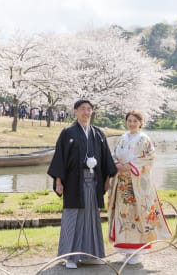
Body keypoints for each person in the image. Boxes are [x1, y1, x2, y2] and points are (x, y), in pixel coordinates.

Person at [47, 99, 117, 269]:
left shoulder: (98, 133)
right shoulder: (68, 132)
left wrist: (107, 179)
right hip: (73, 181)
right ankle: (69, 257)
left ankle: (91, 255)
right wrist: (58, 181)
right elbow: (60, 158)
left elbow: (106, 158)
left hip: (93, 181)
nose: (86, 112)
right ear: (75, 111)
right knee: (72, 216)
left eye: (89, 109)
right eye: (82, 109)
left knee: (91, 217)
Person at [107, 110, 171, 265]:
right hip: (122, 182)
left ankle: (137, 251)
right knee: (124, 215)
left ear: (141, 123)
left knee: (138, 214)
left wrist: (129, 166)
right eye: (129, 120)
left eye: (135, 121)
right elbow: (115, 154)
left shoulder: (145, 139)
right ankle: (125, 249)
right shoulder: (123, 138)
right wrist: (117, 165)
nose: (132, 124)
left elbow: (148, 158)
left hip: (137, 183)